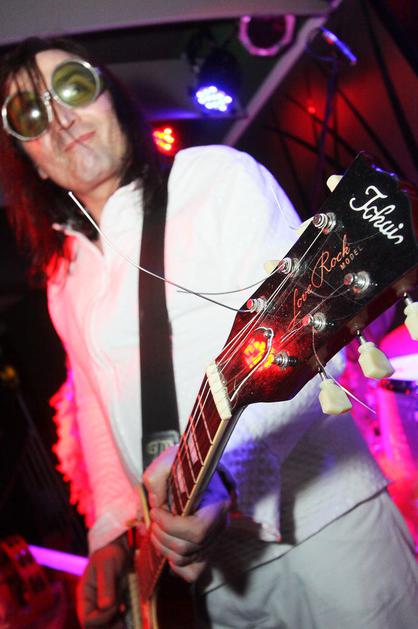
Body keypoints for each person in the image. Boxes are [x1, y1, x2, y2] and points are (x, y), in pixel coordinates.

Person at [0, 36, 417, 629]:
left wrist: (226, 475)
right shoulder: (61, 279)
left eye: (72, 87)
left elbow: (309, 349)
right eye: (31, 113)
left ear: (112, 99)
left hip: (326, 528)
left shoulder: (216, 179)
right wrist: (110, 535)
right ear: (32, 160)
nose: (62, 119)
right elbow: (93, 408)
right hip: (209, 582)